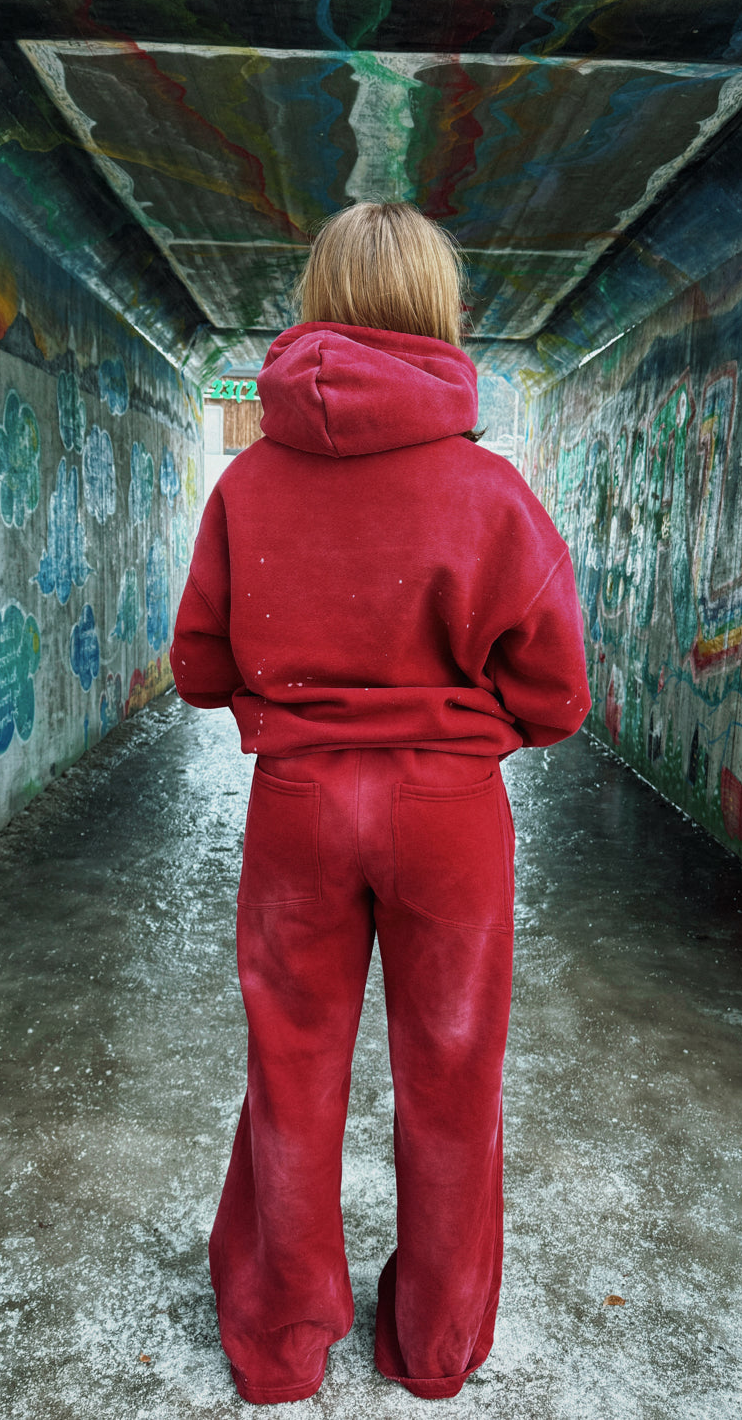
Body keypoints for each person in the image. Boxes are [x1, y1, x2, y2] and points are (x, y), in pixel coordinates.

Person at [171, 201, 590, 1404]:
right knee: (454, 1079)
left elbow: (198, 668)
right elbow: (558, 693)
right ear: (437, 311)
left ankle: (281, 1342)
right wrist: (465, 731)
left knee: (291, 1069)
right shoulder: (490, 492)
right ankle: (432, 1345)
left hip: (298, 807)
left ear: (319, 303)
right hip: (448, 814)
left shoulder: (248, 485)